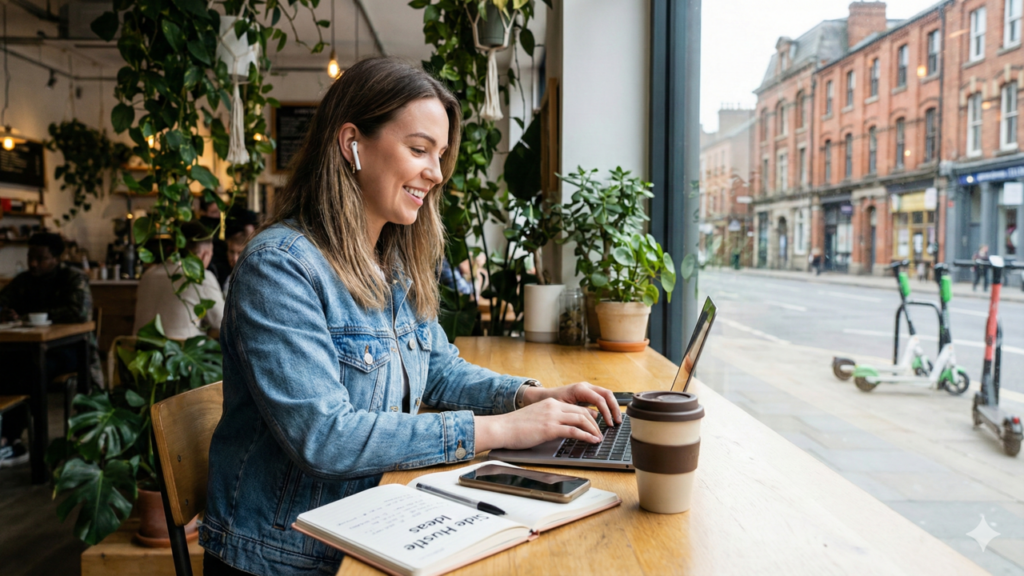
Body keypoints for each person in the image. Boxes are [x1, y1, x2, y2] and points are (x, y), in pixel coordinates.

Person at [200, 58, 621, 576]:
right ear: (351, 143)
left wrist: (530, 397)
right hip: (287, 558)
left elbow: (438, 368)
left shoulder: (389, 261)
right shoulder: (280, 268)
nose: (437, 173)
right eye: (419, 149)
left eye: (439, 155)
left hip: (364, 527)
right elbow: (325, 437)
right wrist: (500, 430)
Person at [0, 232, 101, 467]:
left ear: (56, 258)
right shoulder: (24, 280)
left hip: (70, 350)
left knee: (28, 371)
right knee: (8, 366)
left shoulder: (73, 278)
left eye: (40, 258)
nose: (33, 263)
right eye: (30, 257)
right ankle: (10, 439)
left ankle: (11, 439)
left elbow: (80, 313)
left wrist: (32, 317)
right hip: (30, 349)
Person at [133, 222, 225, 340]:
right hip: (181, 355)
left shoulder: (148, 275)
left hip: (139, 354)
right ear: (204, 255)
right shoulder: (201, 278)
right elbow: (225, 324)